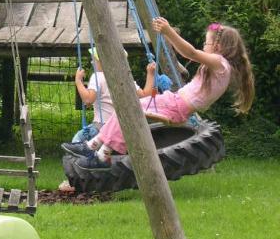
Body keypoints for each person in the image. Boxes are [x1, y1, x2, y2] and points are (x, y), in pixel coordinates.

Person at [63, 18, 254, 169]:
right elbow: (193, 54)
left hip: (177, 105)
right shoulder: (221, 67)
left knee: (128, 107)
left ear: (219, 47)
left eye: (207, 42)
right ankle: (95, 147)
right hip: (175, 102)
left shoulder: (221, 64)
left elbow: (192, 53)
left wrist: (168, 32)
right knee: (126, 107)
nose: (204, 45)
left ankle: (98, 152)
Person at [59, 48, 157, 191]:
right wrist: (150, 74)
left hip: (100, 127)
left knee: (76, 145)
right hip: (119, 129)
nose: (92, 61)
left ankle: (74, 182)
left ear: (103, 61)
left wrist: (78, 81)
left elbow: (87, 99)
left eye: (94, 58)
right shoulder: (125, 77)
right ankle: (96, 179)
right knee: (101, 157)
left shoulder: (98, 76)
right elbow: (145, 95)